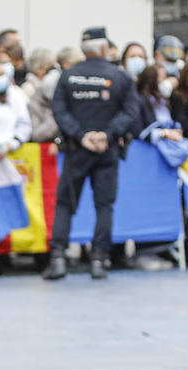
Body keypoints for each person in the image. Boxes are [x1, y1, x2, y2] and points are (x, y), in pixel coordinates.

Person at [44, 27, 138, 281]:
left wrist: (81, 135)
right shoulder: (120, 77)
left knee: (65, 205)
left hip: (77, 151)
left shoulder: (68, 76)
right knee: (104, 206)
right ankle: (99, 259)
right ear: (105, 49)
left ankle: (58, 258)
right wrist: (107, 135)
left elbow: (60, 111)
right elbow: (131, 112)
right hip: (106, 151)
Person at [22, 47, 60, 143]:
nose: (54, 71)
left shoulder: (55, 88)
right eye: (51, 67)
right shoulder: (27, 89)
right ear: (39, 69)